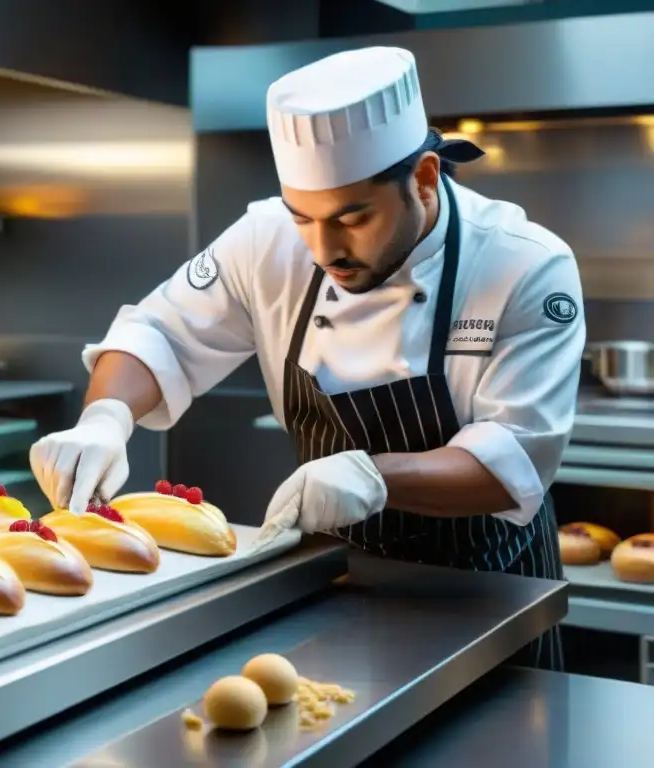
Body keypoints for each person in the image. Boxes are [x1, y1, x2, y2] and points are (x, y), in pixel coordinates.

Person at [29, 46, 584, 671]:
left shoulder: (524, 264)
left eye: (354, 218)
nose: (325, 249)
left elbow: (513, 458)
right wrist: (104, 418)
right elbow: (159, 331)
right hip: (333, 583)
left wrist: (372, 477)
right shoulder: (265, 239)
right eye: (303, 218)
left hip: (490, 591)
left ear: (426, 178)